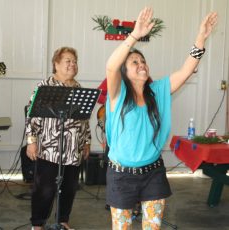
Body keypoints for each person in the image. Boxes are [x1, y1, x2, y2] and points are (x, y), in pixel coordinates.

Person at [105, 7, 217, 229]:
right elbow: (111, 66)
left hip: (152, 173)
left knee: (153, 227)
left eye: (143, 61)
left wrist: (200, 38)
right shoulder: (118, 94)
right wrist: (134, 36)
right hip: (121, 176)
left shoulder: (158, 91)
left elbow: (186, 71)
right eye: (134, 62)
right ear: (125, 72)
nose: (141, 64)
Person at [26, 47, 91, 230]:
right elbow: (31, 116)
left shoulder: (79, 88)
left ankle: (63, 220)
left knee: (69, 188)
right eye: (68, 61)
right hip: (49, 149)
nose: (73, 65)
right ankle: (37, 224)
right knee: (44, 189)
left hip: (73, 149)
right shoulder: (45, 87)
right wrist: (31, 142)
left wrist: (86, 141)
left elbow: (84, 119)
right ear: (56, 64)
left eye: (75, 61)